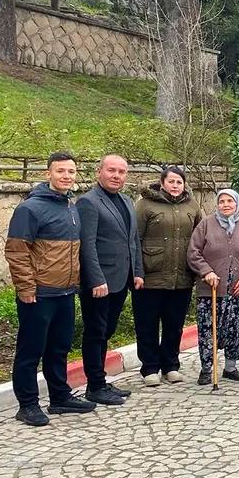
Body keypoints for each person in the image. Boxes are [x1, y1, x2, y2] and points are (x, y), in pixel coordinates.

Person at [6, 152, 96, 426]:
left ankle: (59, 396)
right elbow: (17, 251)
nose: (66, 176)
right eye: (60, 171)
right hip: (39, 294)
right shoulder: (30, 208)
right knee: (30, 351)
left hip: (66, 291)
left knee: (59, 348)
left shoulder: (70, 206)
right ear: (48, 174)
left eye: (71, 171)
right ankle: (28, 404)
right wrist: (26, 288)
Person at [76, 154, 144, 406]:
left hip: (120, 279)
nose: (117, 176)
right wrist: (95, 279)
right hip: (99, 284)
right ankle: (94, 386)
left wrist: (137, 271)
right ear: (99, 172)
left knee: (107, 332)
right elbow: (87, 245)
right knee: (95, 332)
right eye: (111, 170)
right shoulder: (89, 203)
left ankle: (100, 380)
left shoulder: (126, 201)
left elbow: (132, 240)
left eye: (122, 172)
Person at [133, 165, 202, 386]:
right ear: (162, 183)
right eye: (171, 181)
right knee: (148, 324)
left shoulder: (192, 205)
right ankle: (150, 368)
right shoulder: (144, 205)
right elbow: (135, 239)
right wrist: (137, 271)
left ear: (184, 184)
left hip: (181, 277)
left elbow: (200, 237)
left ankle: (170, 365)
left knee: (174, 324)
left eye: (179, 182)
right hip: (150, 276)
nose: (175, 185)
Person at [187, 189, 239, 384]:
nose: (226, 205)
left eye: (230, 201)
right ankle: (206, 368)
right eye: (222, 201)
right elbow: (193, 252)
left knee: (236, 329)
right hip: (211, 289)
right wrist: (206, 271)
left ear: (237, 204)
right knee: (208, 330)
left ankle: (230, 367)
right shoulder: (206, 225)